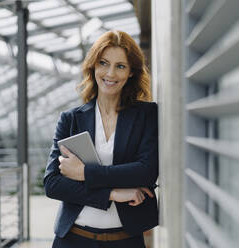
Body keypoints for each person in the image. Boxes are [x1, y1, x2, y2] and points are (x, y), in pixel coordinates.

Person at [44, 30, 158, 248]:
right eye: (104, 63)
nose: (110, 73)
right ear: (93, 66)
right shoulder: (70, 119)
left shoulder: (147, 115)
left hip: (125, 241)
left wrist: (84, 173)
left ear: (132, 72)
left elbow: (146, 170)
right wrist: (114, 193)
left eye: (120, 66)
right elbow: (53, 184)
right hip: (72, 240)